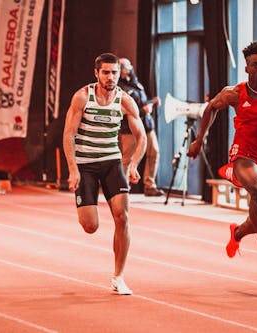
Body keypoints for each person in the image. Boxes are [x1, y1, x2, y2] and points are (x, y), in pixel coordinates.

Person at [188, 41, 257, 268]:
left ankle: (238, 233)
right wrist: (200, 139)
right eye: (256, 65)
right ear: (247, 68)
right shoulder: (235, 93)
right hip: (245, 154)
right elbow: (211, 107)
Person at [63, 53, 147, 295]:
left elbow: (141, 137)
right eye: (106, 72)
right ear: (96, 73)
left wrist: (133, 165)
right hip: (85, 163)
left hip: (111, 162)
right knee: (90, 226)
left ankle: (118, 277)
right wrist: (72, 169)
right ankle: (87, 202)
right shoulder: (82, 97)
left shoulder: (125, 101)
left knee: (123, 217)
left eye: (115, 73)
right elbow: (69, 134)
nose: (111, 77)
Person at [118, 57, 164, 197]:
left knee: (154, 152)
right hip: (129, 129)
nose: (129, 68)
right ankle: (122, 186)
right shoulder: (118, 88)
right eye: (126, 66)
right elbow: (125, 110)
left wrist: (152, 103)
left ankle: (149, 185)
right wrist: (144, 110)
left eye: (129, 65)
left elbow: (141, 102)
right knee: (127, 158)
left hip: (146, 125)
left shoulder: (136, 82)